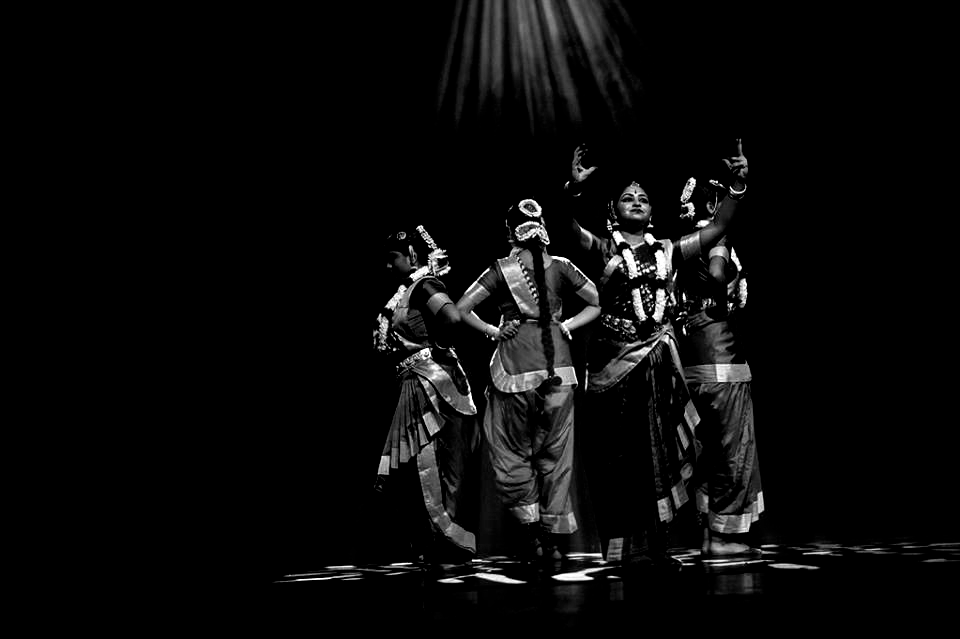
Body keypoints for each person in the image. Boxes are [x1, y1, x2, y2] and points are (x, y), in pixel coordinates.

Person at [556, 142, 750, 566]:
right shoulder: (603, 249)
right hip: (613, 366)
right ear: (614, 211)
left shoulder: (667, 249)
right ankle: (628, 550)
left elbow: (716, 231)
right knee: (621, 458)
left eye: (643, 198)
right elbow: (565, 228)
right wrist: (572, 187)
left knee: (660, 453)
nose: (638, 202)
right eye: (628, 198)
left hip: (659, 363)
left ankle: (658, 546)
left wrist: (736, 188)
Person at [455, 199, 601, 563]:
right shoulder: (563, 266)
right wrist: (566, 325)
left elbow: (460, 309)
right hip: (558, 367)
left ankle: (534, 534)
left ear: (510, 233)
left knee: (513, 449)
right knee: (555, 451)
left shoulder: (501, 269)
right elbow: (595, 302)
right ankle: (550, 539)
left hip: (516, 364)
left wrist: (493, 330)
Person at [373, 225, 479, 567]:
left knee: (433, 463)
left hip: (433, 384)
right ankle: (431, 542)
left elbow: (451, 316)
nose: (388, 266)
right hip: (415, 383)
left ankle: (448, 544)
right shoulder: (404, 293)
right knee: (419, 464)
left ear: (413, 257)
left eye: (393, 259)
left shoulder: (424, 286)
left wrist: (435, 351)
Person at [673, 160, 763, 557]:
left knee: (706, 450)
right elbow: (717, 273)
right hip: (722, 359)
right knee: (733, 449)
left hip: (691, 361)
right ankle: (725, 537)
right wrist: (721, 293)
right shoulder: (714, 243)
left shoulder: (677, 248)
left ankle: (708, 533)